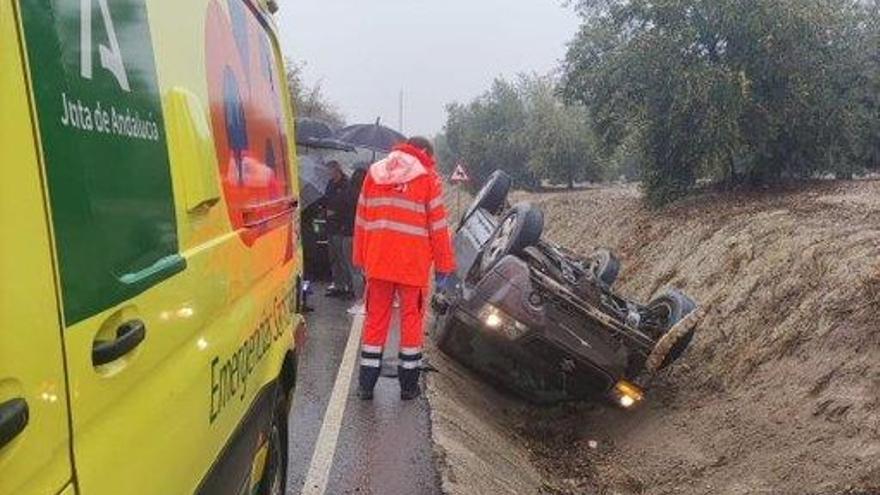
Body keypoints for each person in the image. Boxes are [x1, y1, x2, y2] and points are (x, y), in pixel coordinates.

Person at [353, 136, 457, 400]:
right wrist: (444, 267)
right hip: (412, 266)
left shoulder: (374, 173)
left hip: (377, 263)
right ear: (424, 152)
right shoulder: (426, 178)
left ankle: (366, 385)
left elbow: (362, 219)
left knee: (375, 321)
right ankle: (408, 386)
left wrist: (360, 259)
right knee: (411, 322)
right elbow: (438, 228)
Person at [322, 160, 356, 299]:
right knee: (334, 258)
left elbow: (347, 205)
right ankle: (338, 285)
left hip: (341, 226)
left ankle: (350, 288)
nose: (329, 173)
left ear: (337, 169)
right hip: (330, 224)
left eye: (330, 170)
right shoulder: (330, 184)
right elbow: (327, 198)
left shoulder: (346, 185)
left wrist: (335, 211)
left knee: (343, 259)